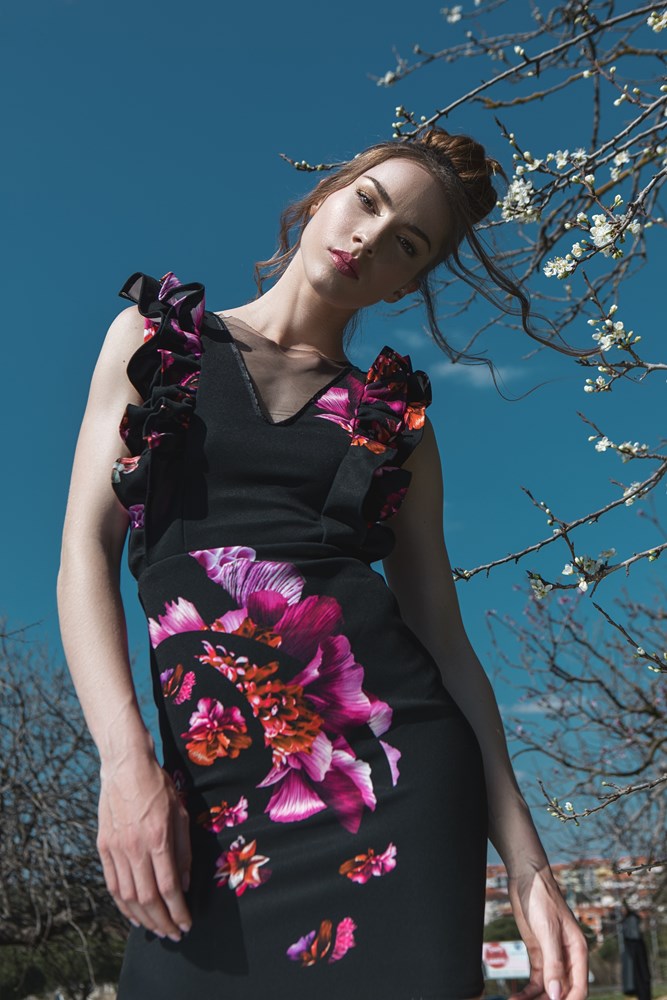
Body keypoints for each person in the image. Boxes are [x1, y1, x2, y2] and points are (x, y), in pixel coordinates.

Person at [57, 127, 589, 1000]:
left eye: (406, 244)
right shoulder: (154, 342)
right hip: (203, 794)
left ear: (408, 281)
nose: (369, 238)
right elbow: (85, 552)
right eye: (367, 203)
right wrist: (124, 764)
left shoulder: (394, 424)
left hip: (393, 792)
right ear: (322, 197)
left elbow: (444, 644)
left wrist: (529, 869)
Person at [621, 901, 652, 1000]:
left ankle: (644, 995)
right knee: (635, 973)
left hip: (637, 946)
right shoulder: (628, 918)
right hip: (632, 947)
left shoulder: (635, 918)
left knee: (642, 973)